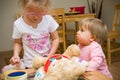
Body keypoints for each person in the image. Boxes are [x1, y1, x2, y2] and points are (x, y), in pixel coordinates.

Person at [2, 0, 59, 72]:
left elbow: (55, 38)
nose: (36, 17)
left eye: (41, 13)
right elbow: (18, 43)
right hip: (30, 64)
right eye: (32, 13)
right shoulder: (18, 24)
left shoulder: (48, 19)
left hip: (47, 61)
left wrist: (51, 54)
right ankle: (12, 67)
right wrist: (16, 55)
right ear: (24, 8)